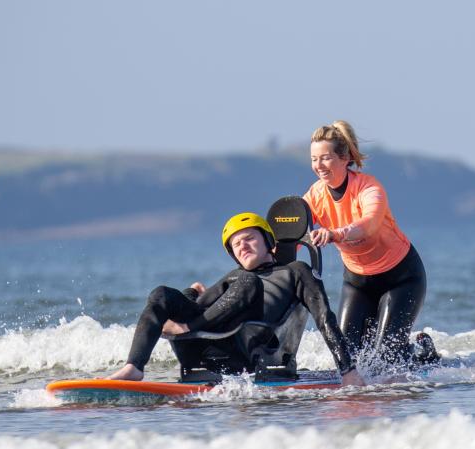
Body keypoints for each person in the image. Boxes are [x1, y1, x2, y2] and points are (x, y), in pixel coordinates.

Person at [108, 212, 365, 386]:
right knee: (161, 294)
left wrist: (347, 370)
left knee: (247, 280)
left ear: (268, 242)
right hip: (208, 345)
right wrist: (190, 294)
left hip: (252, 348)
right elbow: (198, 308)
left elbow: (324, 318)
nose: (242, 245)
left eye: (249, 238)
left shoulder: (296, 271)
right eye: (235, 244)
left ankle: (188, 330)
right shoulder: (234, 278)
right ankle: (134, 367)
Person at [303, 120, 435, 370]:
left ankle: (424, 353)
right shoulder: (315, 195)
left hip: (401, 280)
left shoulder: (368, 187)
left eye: (326, 158)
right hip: (358, 283)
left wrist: (335, 234)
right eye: (314, 159)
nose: (319, 166)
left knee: (387, 361)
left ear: (345, 158)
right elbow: (295, 231)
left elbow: (369, 224)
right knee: (347, 359)